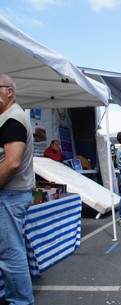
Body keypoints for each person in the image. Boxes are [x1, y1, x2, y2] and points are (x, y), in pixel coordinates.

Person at [0, 74, 35, 304]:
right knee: (11, 252)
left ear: (8, 92)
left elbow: (12, 162)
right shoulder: (11, 117)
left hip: (9, 194)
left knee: (11, 254)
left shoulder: (12, 118)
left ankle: (21, 301)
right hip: (11, 194)